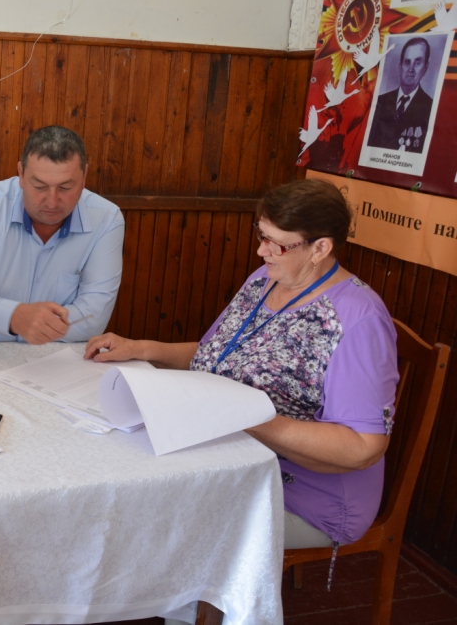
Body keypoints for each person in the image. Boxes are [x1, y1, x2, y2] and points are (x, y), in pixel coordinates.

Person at [86, 179, 398, 554]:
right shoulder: (266, 279)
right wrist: (141, 348)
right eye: (261, 234)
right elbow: (217, 355)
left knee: (159, 519)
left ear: (320, 248)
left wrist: (245, 417)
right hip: (232, 456)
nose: (261, 250)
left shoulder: (357, 320)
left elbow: (363, 447)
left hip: (302, 496)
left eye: (276, 243)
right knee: (120, 475)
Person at [0, 125, 124, 345]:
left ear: (84, 176)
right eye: (40, 186)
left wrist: (3, 332)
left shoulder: (106, 218)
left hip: (52, 353)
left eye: (65, 187)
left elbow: (93, 317)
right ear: (21, 174)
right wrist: (14, 316)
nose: (52, 202)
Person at [367, 37, 434, 152]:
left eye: (417, 63)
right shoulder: (379, 101)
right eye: (407, 62)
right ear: (399, 67)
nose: (411, 69)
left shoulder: (430, 107)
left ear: (425, 68)